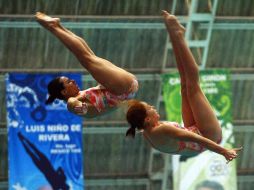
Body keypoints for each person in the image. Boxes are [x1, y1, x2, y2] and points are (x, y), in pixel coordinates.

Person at [125, 10, 242, 163]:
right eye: (150, 109)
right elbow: (197, 139)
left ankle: (174, 33)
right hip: (209, 135)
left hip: (193, 130)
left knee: (185, 85)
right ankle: (178, 34)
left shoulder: (146, 131)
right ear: (147, 119)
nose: (154, 108)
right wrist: (224, 152)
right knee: (193, 87)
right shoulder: (160, 130)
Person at [35, 12, 138, 118]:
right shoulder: (71, 101)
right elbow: (77, 107)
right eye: (69, 82)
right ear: (64, 91)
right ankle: (53, 27)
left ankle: (57, 26)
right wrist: (80, 107)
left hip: (124, 89)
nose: (73, 81)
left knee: (89, 56)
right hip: (122, 89)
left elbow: (98, 104)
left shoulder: (80, 95)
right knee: (87, 59)